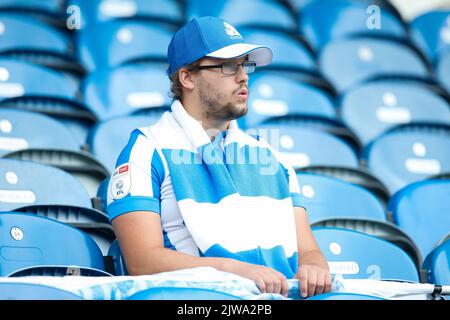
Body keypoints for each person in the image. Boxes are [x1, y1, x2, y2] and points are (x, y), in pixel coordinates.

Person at [107, 16, 331, 298]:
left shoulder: (271, 157)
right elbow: (142, 262)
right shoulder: (146, 148)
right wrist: (234, 270)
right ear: (187, 77)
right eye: (228, 66)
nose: (243, 76)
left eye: (245, 64)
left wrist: (314, 267)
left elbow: (309, 251)